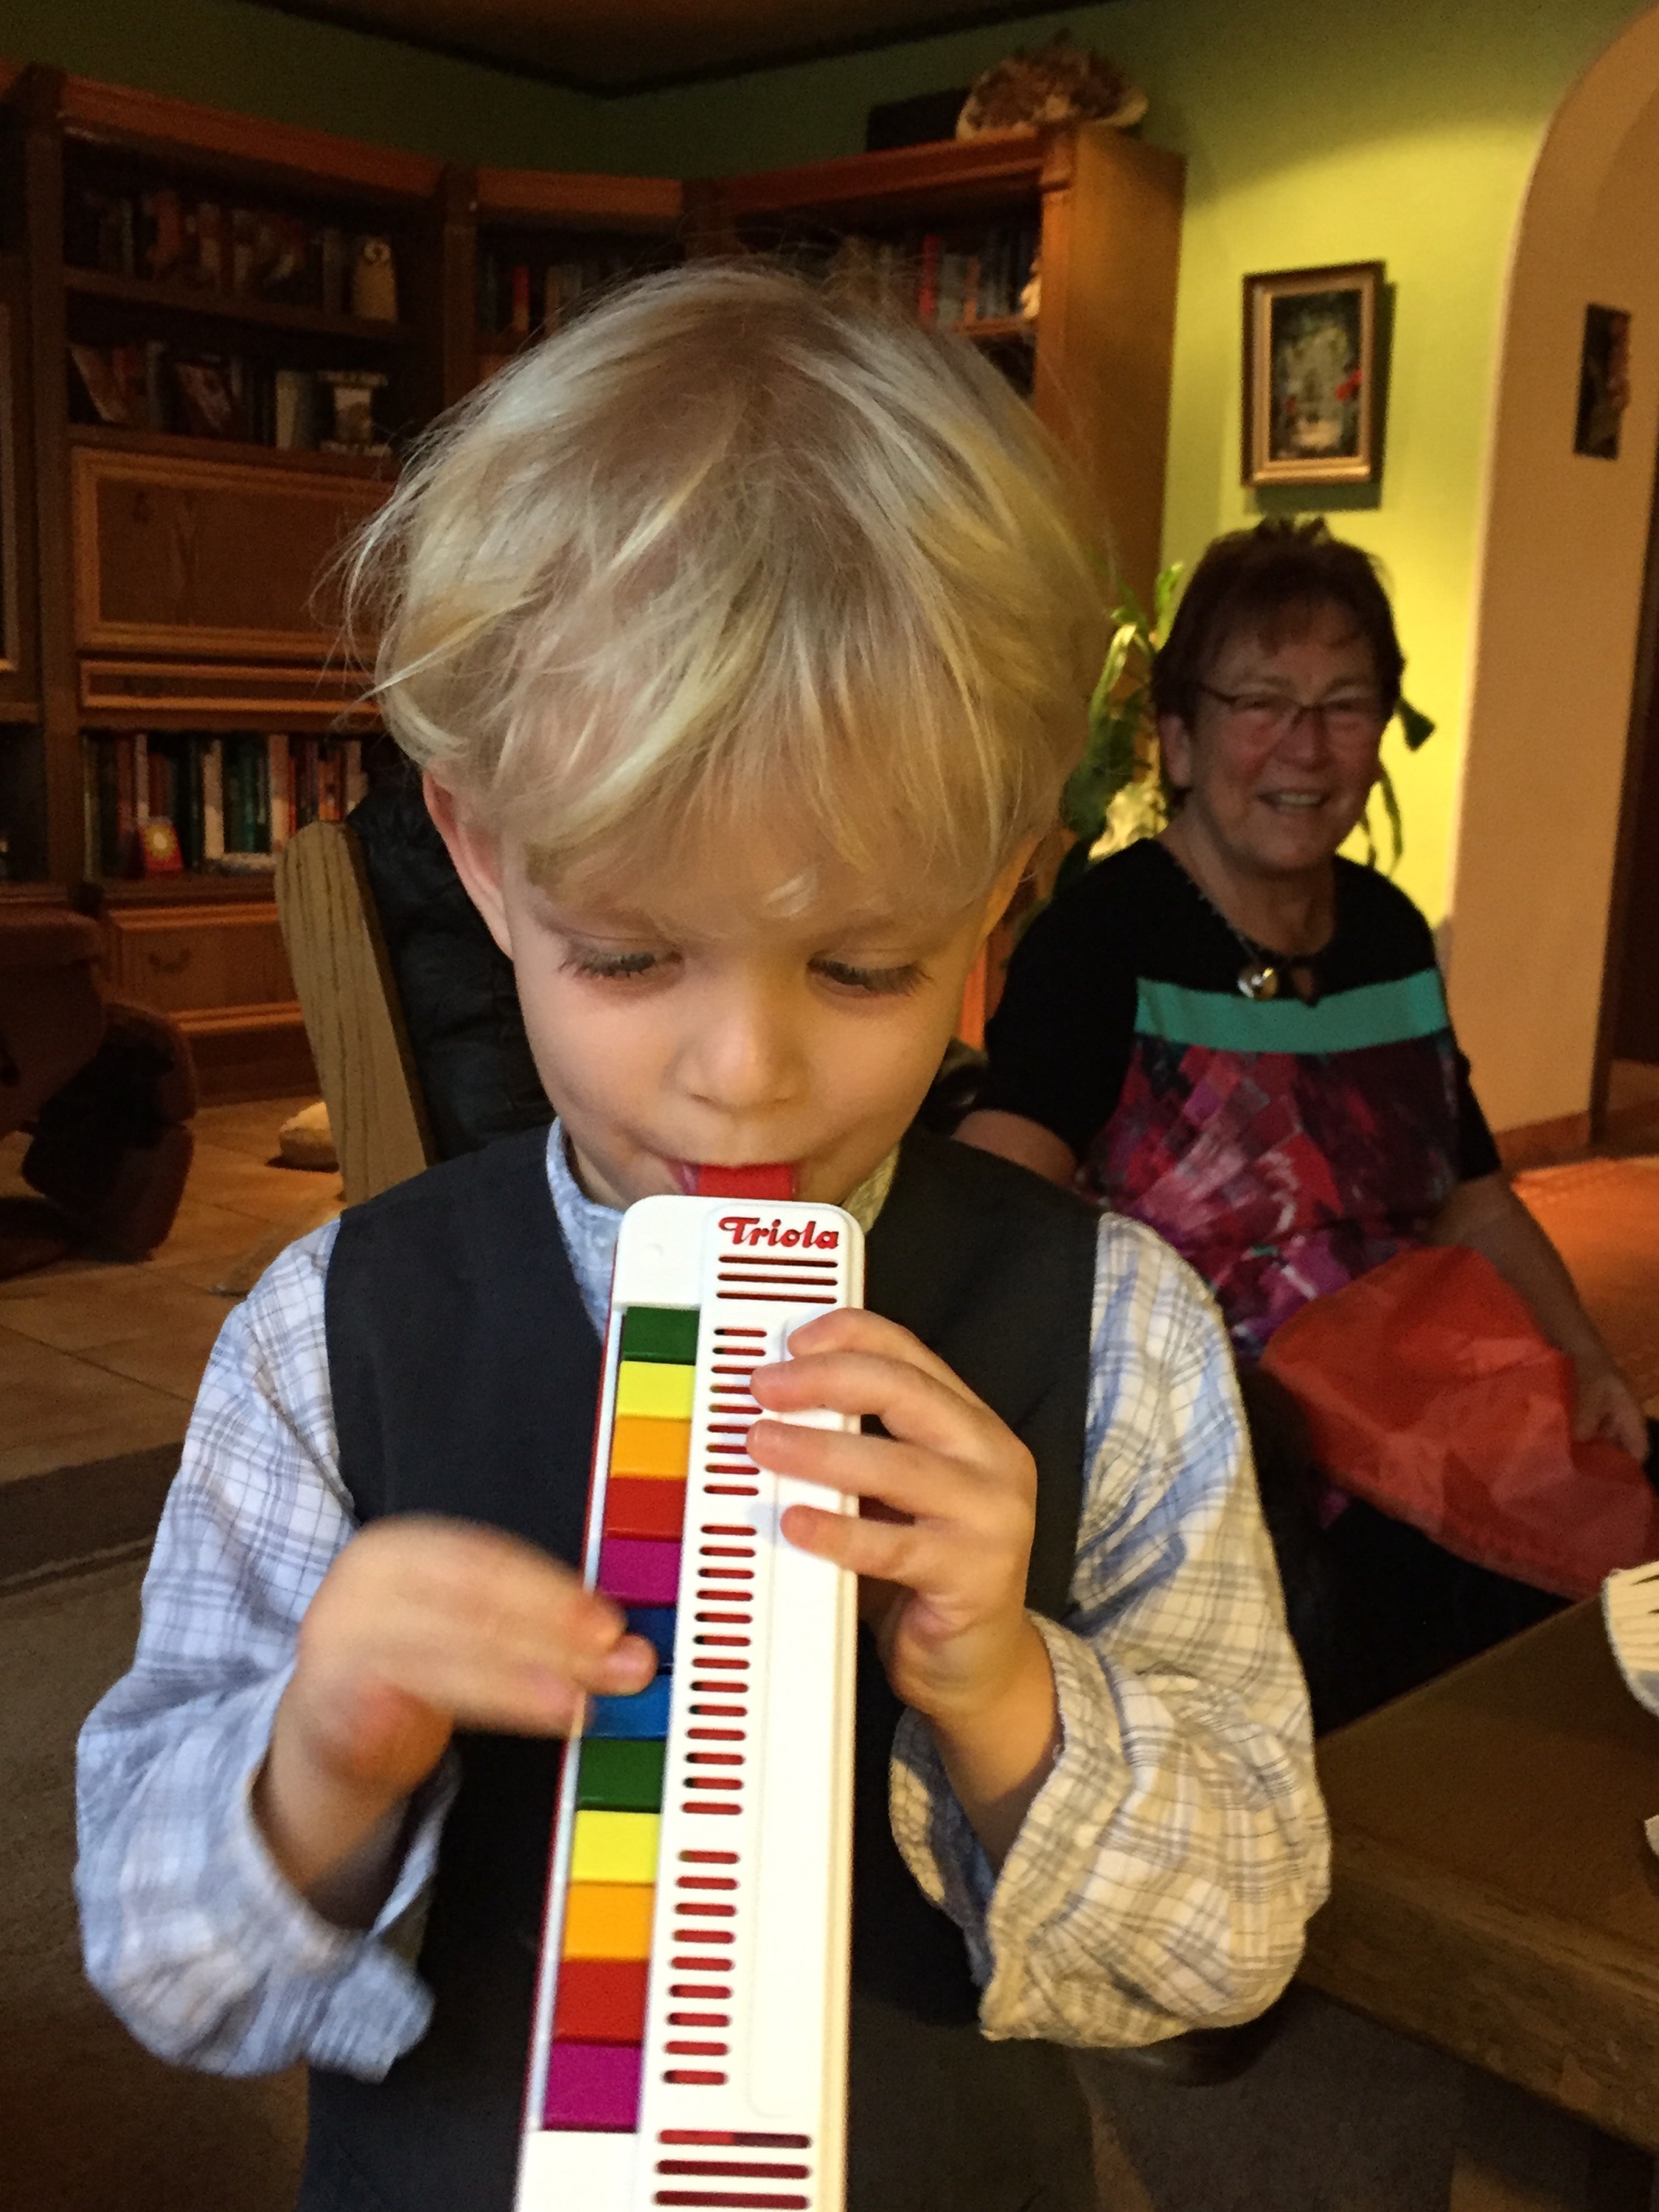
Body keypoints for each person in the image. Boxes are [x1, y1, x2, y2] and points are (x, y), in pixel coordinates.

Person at [74, 270, 1327, 2212]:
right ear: (485, 861)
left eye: (865, 965)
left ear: (998, 890)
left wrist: (1009, 1692)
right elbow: (162, 1968)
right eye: (629, 955)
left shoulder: (1116, 1341)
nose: (744, 1078)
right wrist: (317, 1756)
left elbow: (1234, 1950)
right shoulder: (331, 1338)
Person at [961, 518, 1650, 1724]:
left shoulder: (1385, 933)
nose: (1305, 746)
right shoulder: (1102, 940)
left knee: (1613, 1555)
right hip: (1228, 1440)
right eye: (1262, 703)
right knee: (1410, 1642)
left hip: (1419, 1398)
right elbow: (998, 1204)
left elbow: (1474, 1203)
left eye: (1342, 706)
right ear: (1179, 739)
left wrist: (1589, 1364)